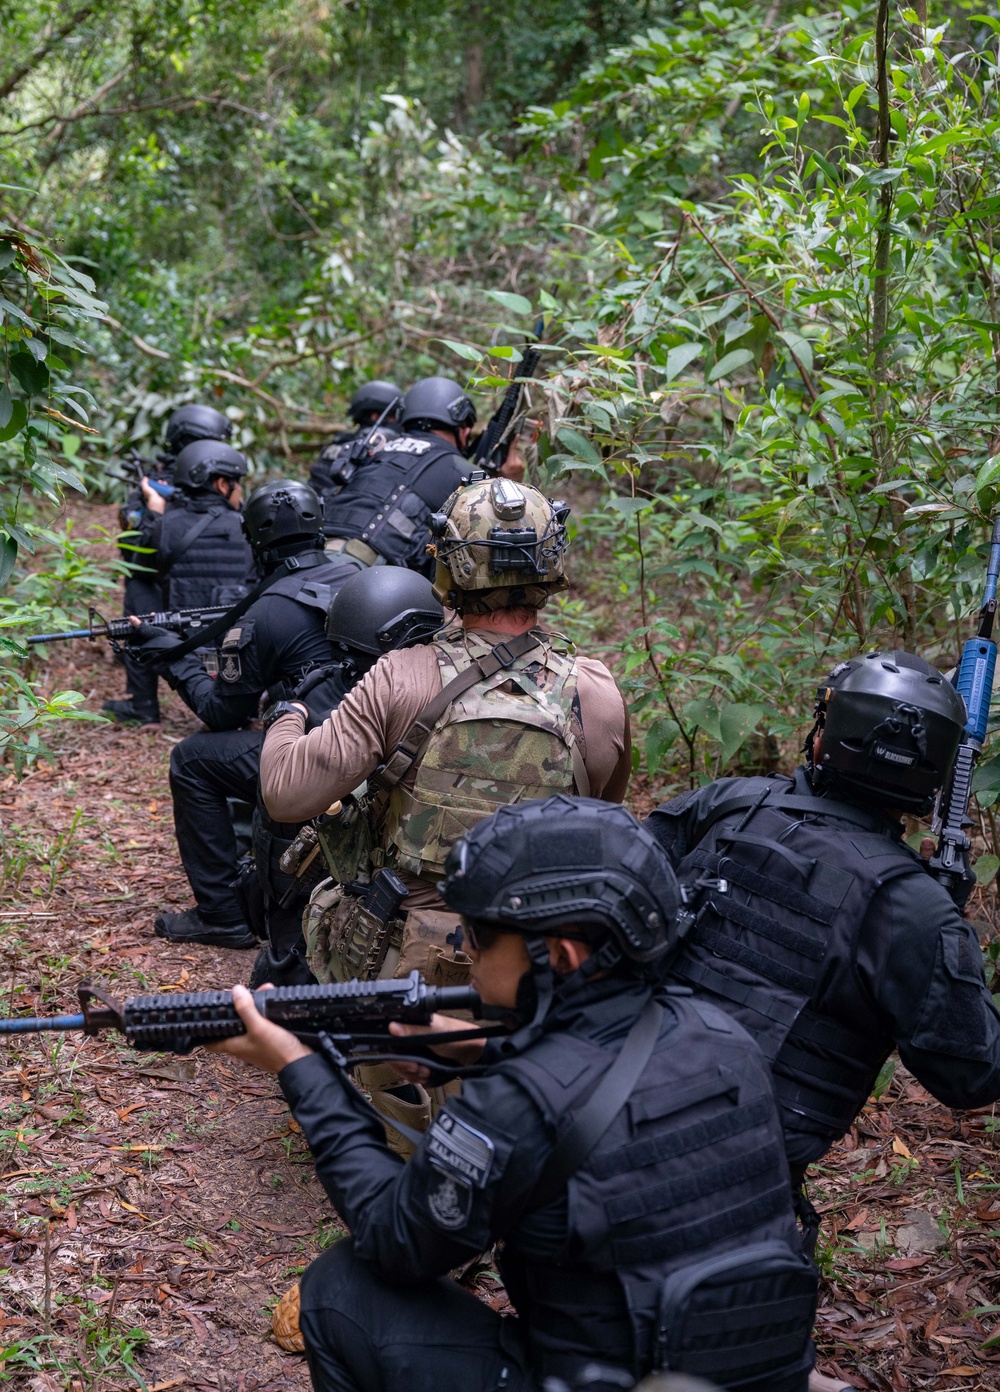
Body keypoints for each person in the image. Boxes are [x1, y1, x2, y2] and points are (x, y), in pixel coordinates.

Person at [210, 797, 818, 1392]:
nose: (463, 948)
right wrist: (482, 1050)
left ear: (560, 954)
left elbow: (395, 1239)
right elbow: (597, 1082)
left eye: (478, 933)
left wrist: (300, 1067)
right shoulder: (724, 1037)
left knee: (341, 1290)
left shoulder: (519, 1103)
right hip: (745, 1369)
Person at [648, 650, 1000, 1215]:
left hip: (596, 1118)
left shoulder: (725, 804)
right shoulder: (913, 908)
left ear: (822, 737)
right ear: (935, 778)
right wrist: (944, 930)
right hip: (736, 1199)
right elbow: (973, 1074)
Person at [107, 404, 235, 725]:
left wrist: (156, 510)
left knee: (138, 588)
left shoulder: (169, 486)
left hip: (197, 597)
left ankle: (143, 703)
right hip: (211, 597)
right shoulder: (210, 479)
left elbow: (135, 555)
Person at [321, 375, 479, 574]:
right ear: (461, 426)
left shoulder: (374, 450)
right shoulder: (462, 470)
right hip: (371, 578)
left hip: (315, 558)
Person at [309, 379, 401, 500]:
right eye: (393, 416)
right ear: (375, 416)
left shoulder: (340, 442)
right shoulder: (376, 445)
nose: (397, 421)